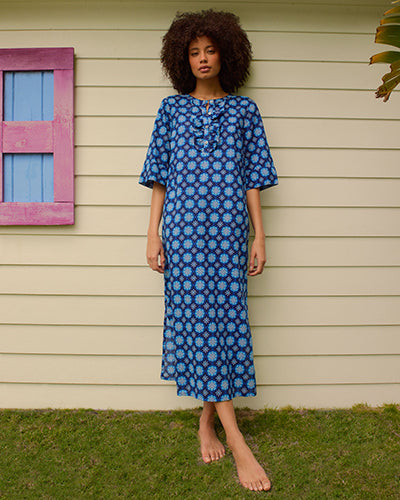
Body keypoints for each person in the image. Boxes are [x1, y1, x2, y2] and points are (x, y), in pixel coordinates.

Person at [139, 9, 278, 492]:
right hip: (183, 234)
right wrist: (152, 234)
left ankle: (206, 420)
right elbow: (158, 178)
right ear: (182, 58)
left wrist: (259, 236)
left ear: (226, 54)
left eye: (210, 50)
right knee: (198, 323)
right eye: (194, 52)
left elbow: (253, 180)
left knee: (222, 322)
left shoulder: (244, 111)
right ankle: (236, 439)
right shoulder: (171, 110)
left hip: (227, 235)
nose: (202, 59)